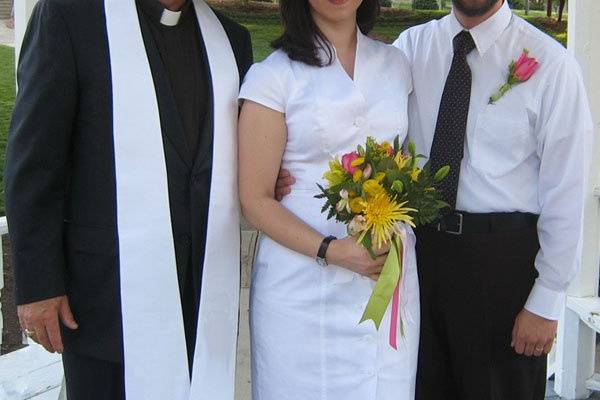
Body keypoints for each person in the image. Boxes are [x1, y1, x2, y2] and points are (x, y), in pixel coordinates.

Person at [5, 0, 262, 399]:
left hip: (201, 288)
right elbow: (35, 161)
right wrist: (39, 286)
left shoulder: (231, 40)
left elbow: (242, 153)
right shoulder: (71, 17)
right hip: (103, 295)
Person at [394, 0, 593, 399]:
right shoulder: (409, 49)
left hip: (503, 268)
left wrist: (546, 299)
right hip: (419, 257)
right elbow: (363, 122)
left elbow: (566, 191)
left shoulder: (551, 65)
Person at [238, 0, 420, 399]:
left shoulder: (396, 64)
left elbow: (406, 161)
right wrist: (331, 250)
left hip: (384, 274)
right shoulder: (273, 77)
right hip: (300, 287)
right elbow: (255, 198)